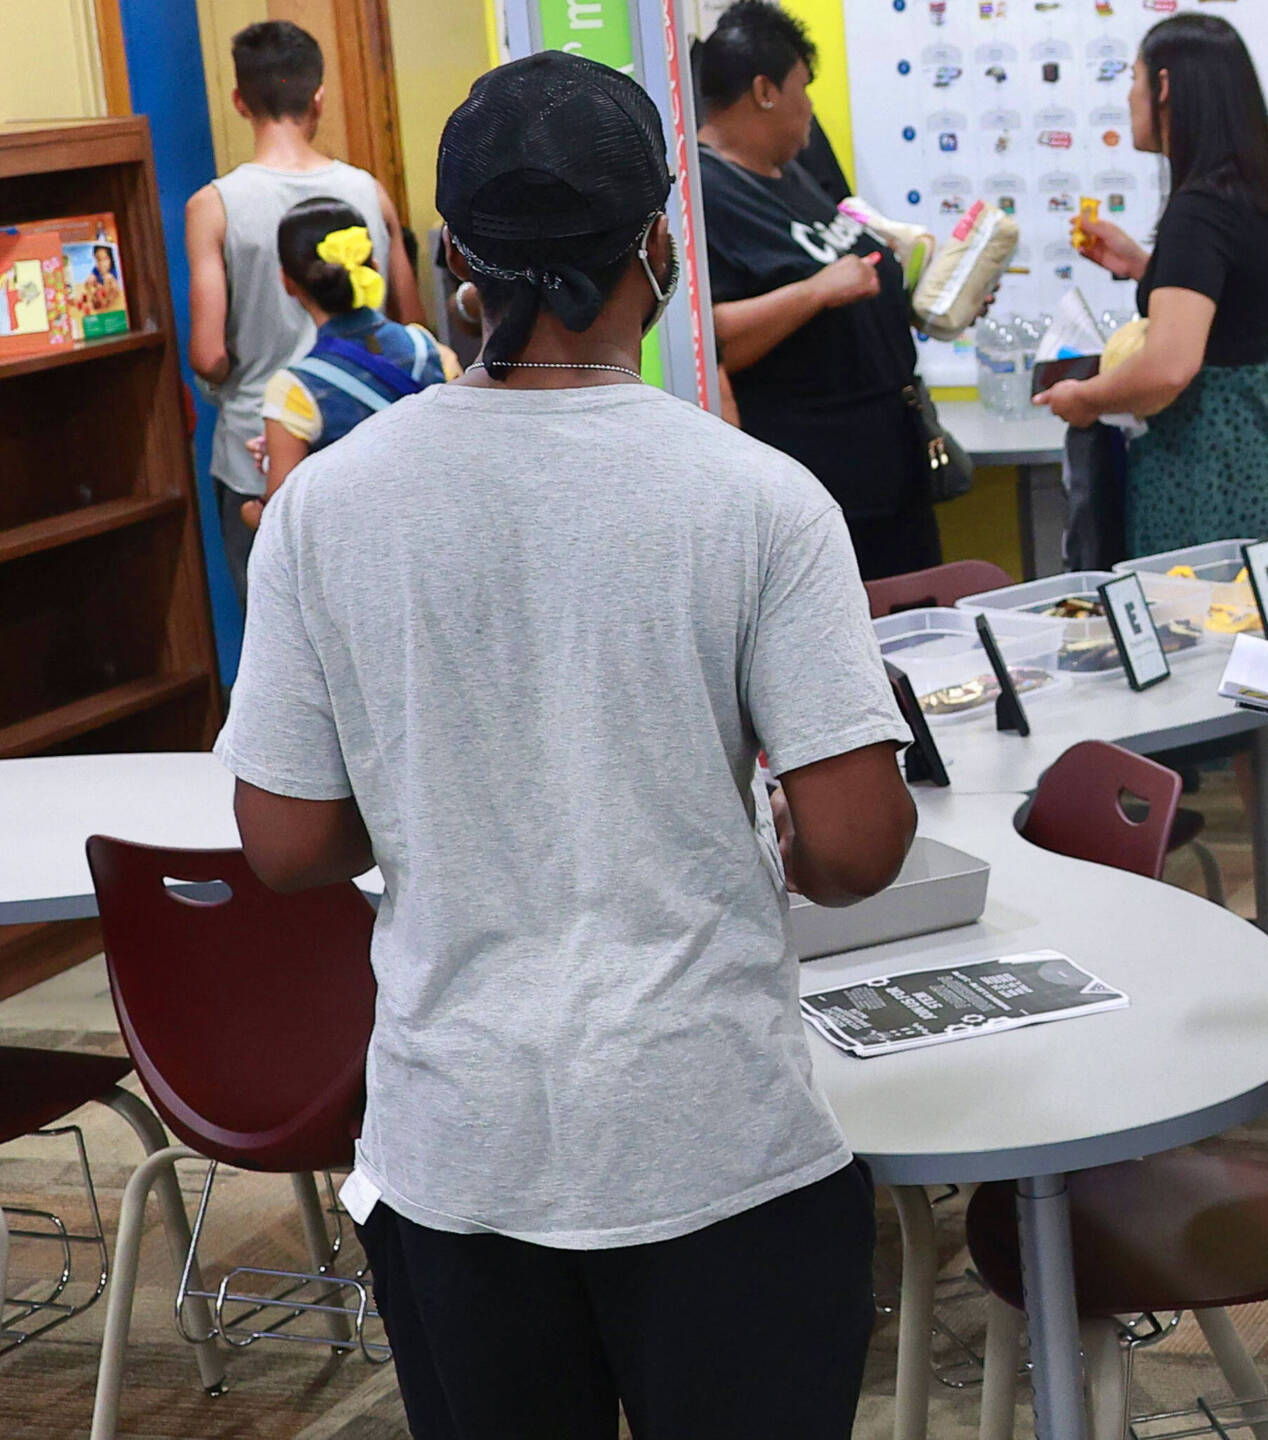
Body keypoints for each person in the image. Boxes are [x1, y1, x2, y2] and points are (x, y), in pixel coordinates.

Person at [217, 52, 917, 1438]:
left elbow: (285, 839)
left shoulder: (325, 507)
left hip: (458, 1148)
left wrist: (443, 791)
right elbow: (854, 846)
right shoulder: (759, 499)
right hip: (714, 1140)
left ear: (452, 264)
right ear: (658, 248)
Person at [1038, 13, 1268, 866]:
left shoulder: (1201, 209)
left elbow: (1168, 367)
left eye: (1133, 80)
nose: (1126, 97)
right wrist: (1143, 268)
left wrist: (1085, 398)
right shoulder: (1247, 197)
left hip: (1205, 467)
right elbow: (1221, 308)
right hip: (1253, 455)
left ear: (1167, 89)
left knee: (1236, 699)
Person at [696, 0, 945, 578]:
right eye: (803, 88)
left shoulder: (793, 171)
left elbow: (852, 286)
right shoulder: (705, 194)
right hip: (823, 482)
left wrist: (929, 299)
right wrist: (816, 292)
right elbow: (710, 340)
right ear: (765, 91)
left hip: (890, 466)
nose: (809, 108)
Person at [185, 19, 420, 604]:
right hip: (373, 445)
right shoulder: (369, 192)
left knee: (284, 629)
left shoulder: (213, 206)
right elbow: (412, 320)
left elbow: (210, 355)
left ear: (240, 101)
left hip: (257, 456)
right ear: (318, 96)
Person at [240, 199, 459, 528]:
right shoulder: (431, 350)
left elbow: (282, 521)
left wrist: (251, 511)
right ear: (373, 264)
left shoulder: (294, 390)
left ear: (287, 281)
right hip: (441, 533)